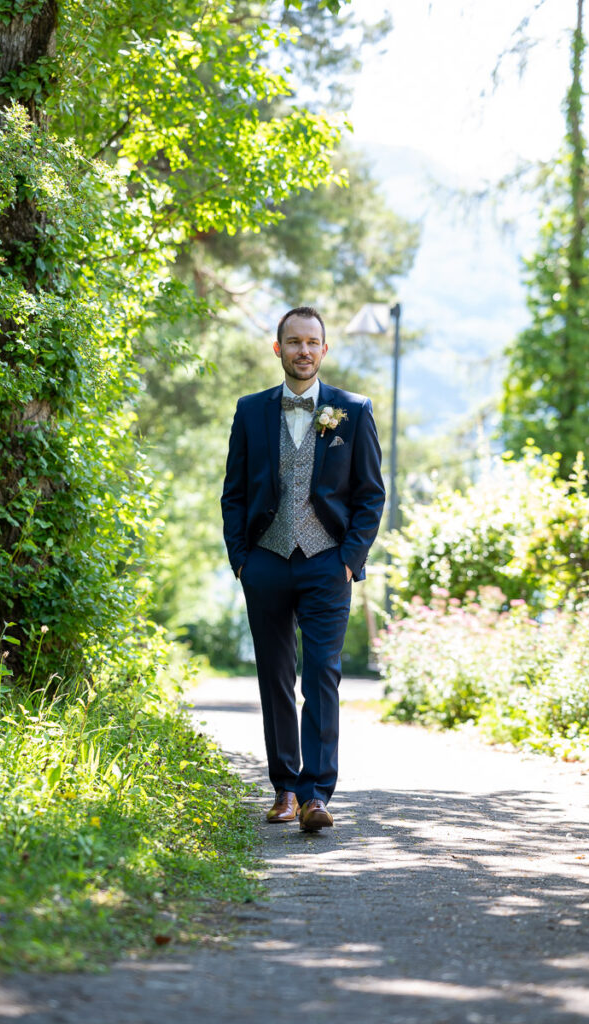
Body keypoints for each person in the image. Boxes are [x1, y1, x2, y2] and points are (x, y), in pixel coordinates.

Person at [221, 306, 385, 832]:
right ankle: (285, 790)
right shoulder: (250, 411)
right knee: (274, 677)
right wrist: (242, 561)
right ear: (278, 349)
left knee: (322, 676)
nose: (304, 351)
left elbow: (371, 495)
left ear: (325, 349)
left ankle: (316, 796)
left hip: (327, 564)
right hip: (265, 561)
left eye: (312, 342)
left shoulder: (353, 411)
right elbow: (234, 493)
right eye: (294, 342)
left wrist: (349, 561)